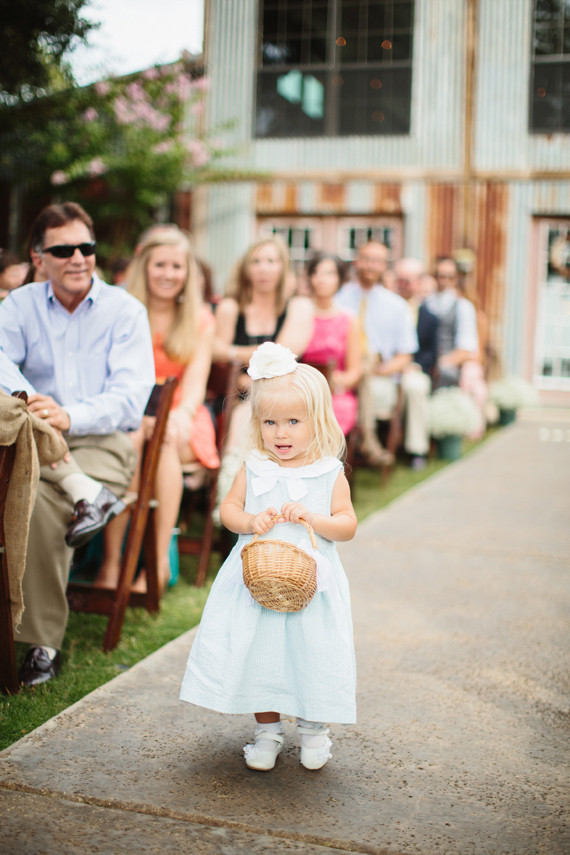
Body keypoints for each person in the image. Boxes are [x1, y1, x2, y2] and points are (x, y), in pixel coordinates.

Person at [180, 342, 357, 771]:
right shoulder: (255, 467)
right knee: (262, 655)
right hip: (257, 582)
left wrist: (314, 518)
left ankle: (315, 731)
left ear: (317, 422)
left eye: (294, 422)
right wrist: (251, 520)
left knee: (311, 653)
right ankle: (267, 731)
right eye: (270, 422)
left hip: (312, 588)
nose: (281, 433)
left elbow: (347, 525)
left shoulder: (328, 472)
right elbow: (228, 511)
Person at [0, 202, 155, 686]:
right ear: (38, 256)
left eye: (86, 247)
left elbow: (131, 401)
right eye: (63, 249)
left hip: (104, 443)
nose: (78, 259)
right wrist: (33, 402)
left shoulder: (126, 311)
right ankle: (85, 492)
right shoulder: (18, 306)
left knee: (38, 502)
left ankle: (39, 644)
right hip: (35, 440)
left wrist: (69, 416)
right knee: (20, 425)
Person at [96, 228, 219, 591]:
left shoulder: (200, 320)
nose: (168, 274)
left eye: (177, 266)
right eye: (160, 264)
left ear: (188, 272)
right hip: (129, 412)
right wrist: (141, 418)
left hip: (182, 414)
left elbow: (195, 386)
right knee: (134, 440)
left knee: (163, 440)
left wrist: (175, 418)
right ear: (144, 266)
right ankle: (113, 561)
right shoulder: (120, 310)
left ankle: (159, 561)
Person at [212, 235, 314, 505]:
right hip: (234, 394)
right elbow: (214, 351)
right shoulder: (230, 308)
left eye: (271, 261)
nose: (263, 268)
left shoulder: (299, 306)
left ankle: (251, 496)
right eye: (256, 261)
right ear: (245, 268)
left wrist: (236, 355)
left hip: (285, 394)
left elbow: (286, 354)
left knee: (254, 414)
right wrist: (256, 363)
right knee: (244, 415)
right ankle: (236, 495)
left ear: (283, 267)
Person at [335, 241, 419, 466]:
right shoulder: (338, 299)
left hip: (379, 372)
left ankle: (367, 441)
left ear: (385, 266)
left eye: (378, 261)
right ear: (357, 262)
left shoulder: (397, 306)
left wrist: (382, 369)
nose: (372, 266)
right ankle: (369, 442)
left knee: (368, 373)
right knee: (363, 372)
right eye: (367, 259)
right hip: (345, 369)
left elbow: (405, 354)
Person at [302, 252, 361, 435]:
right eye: (316, 273)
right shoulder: (301, 313)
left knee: (338, 410)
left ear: (340, 279)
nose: (322, 279)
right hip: (302, 388)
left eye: (329, 273)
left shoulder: (349, 319)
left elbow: (354, 372)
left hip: (334, 392)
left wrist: (335, 381)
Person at [425, 256, 479, 389]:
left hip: (450, 365)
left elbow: (465, 348)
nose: (442, 280)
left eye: (448, 276)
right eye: (439, 275)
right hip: (426, 362)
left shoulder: (463, 307)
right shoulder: (424, 304)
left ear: (455, 279)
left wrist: (441, 363)